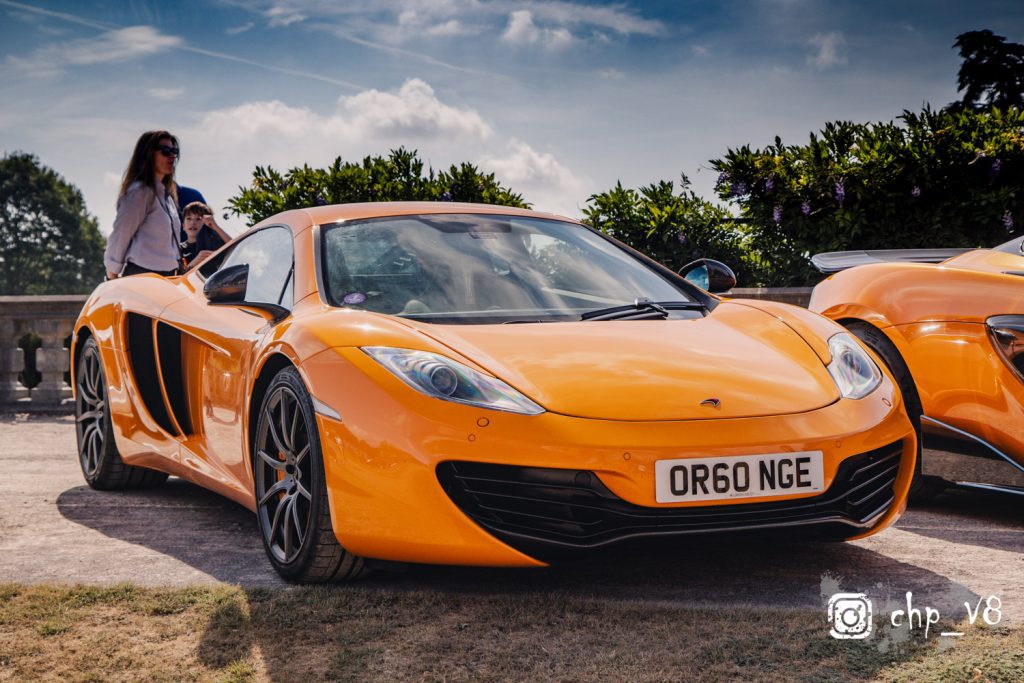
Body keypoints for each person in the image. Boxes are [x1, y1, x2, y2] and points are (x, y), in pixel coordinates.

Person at [103, 130, 184, 278]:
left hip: (169, 277)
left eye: (174, 151)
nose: (172, 156)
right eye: (165, 151)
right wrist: (112, 275)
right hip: (142, 276)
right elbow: (121, 234)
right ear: (148, 155)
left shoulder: (167, 196)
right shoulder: (140, 193)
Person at [180, 201, 231, 266]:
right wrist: (195, 262)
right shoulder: (179, 249)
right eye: (189, 218)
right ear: (183, 226)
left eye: (198, 219)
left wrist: (215, 227)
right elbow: (177, 274)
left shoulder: (215, 243)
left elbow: (235, 247)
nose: (193, 223)